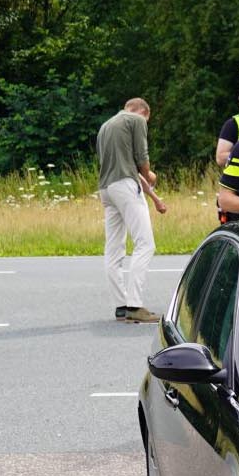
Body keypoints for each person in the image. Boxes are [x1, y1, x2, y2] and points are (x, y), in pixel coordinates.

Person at [96, 97, 169, 323]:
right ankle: (135, 306)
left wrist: (154, 198)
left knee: (114, 248)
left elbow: (123, 166)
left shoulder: (105, 127)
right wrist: (150, 175)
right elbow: (141, 158)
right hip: (126, 186)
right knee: (145, 244)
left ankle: (120, 306)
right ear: (143, 112)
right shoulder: (136, 120)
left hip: (106, 189)